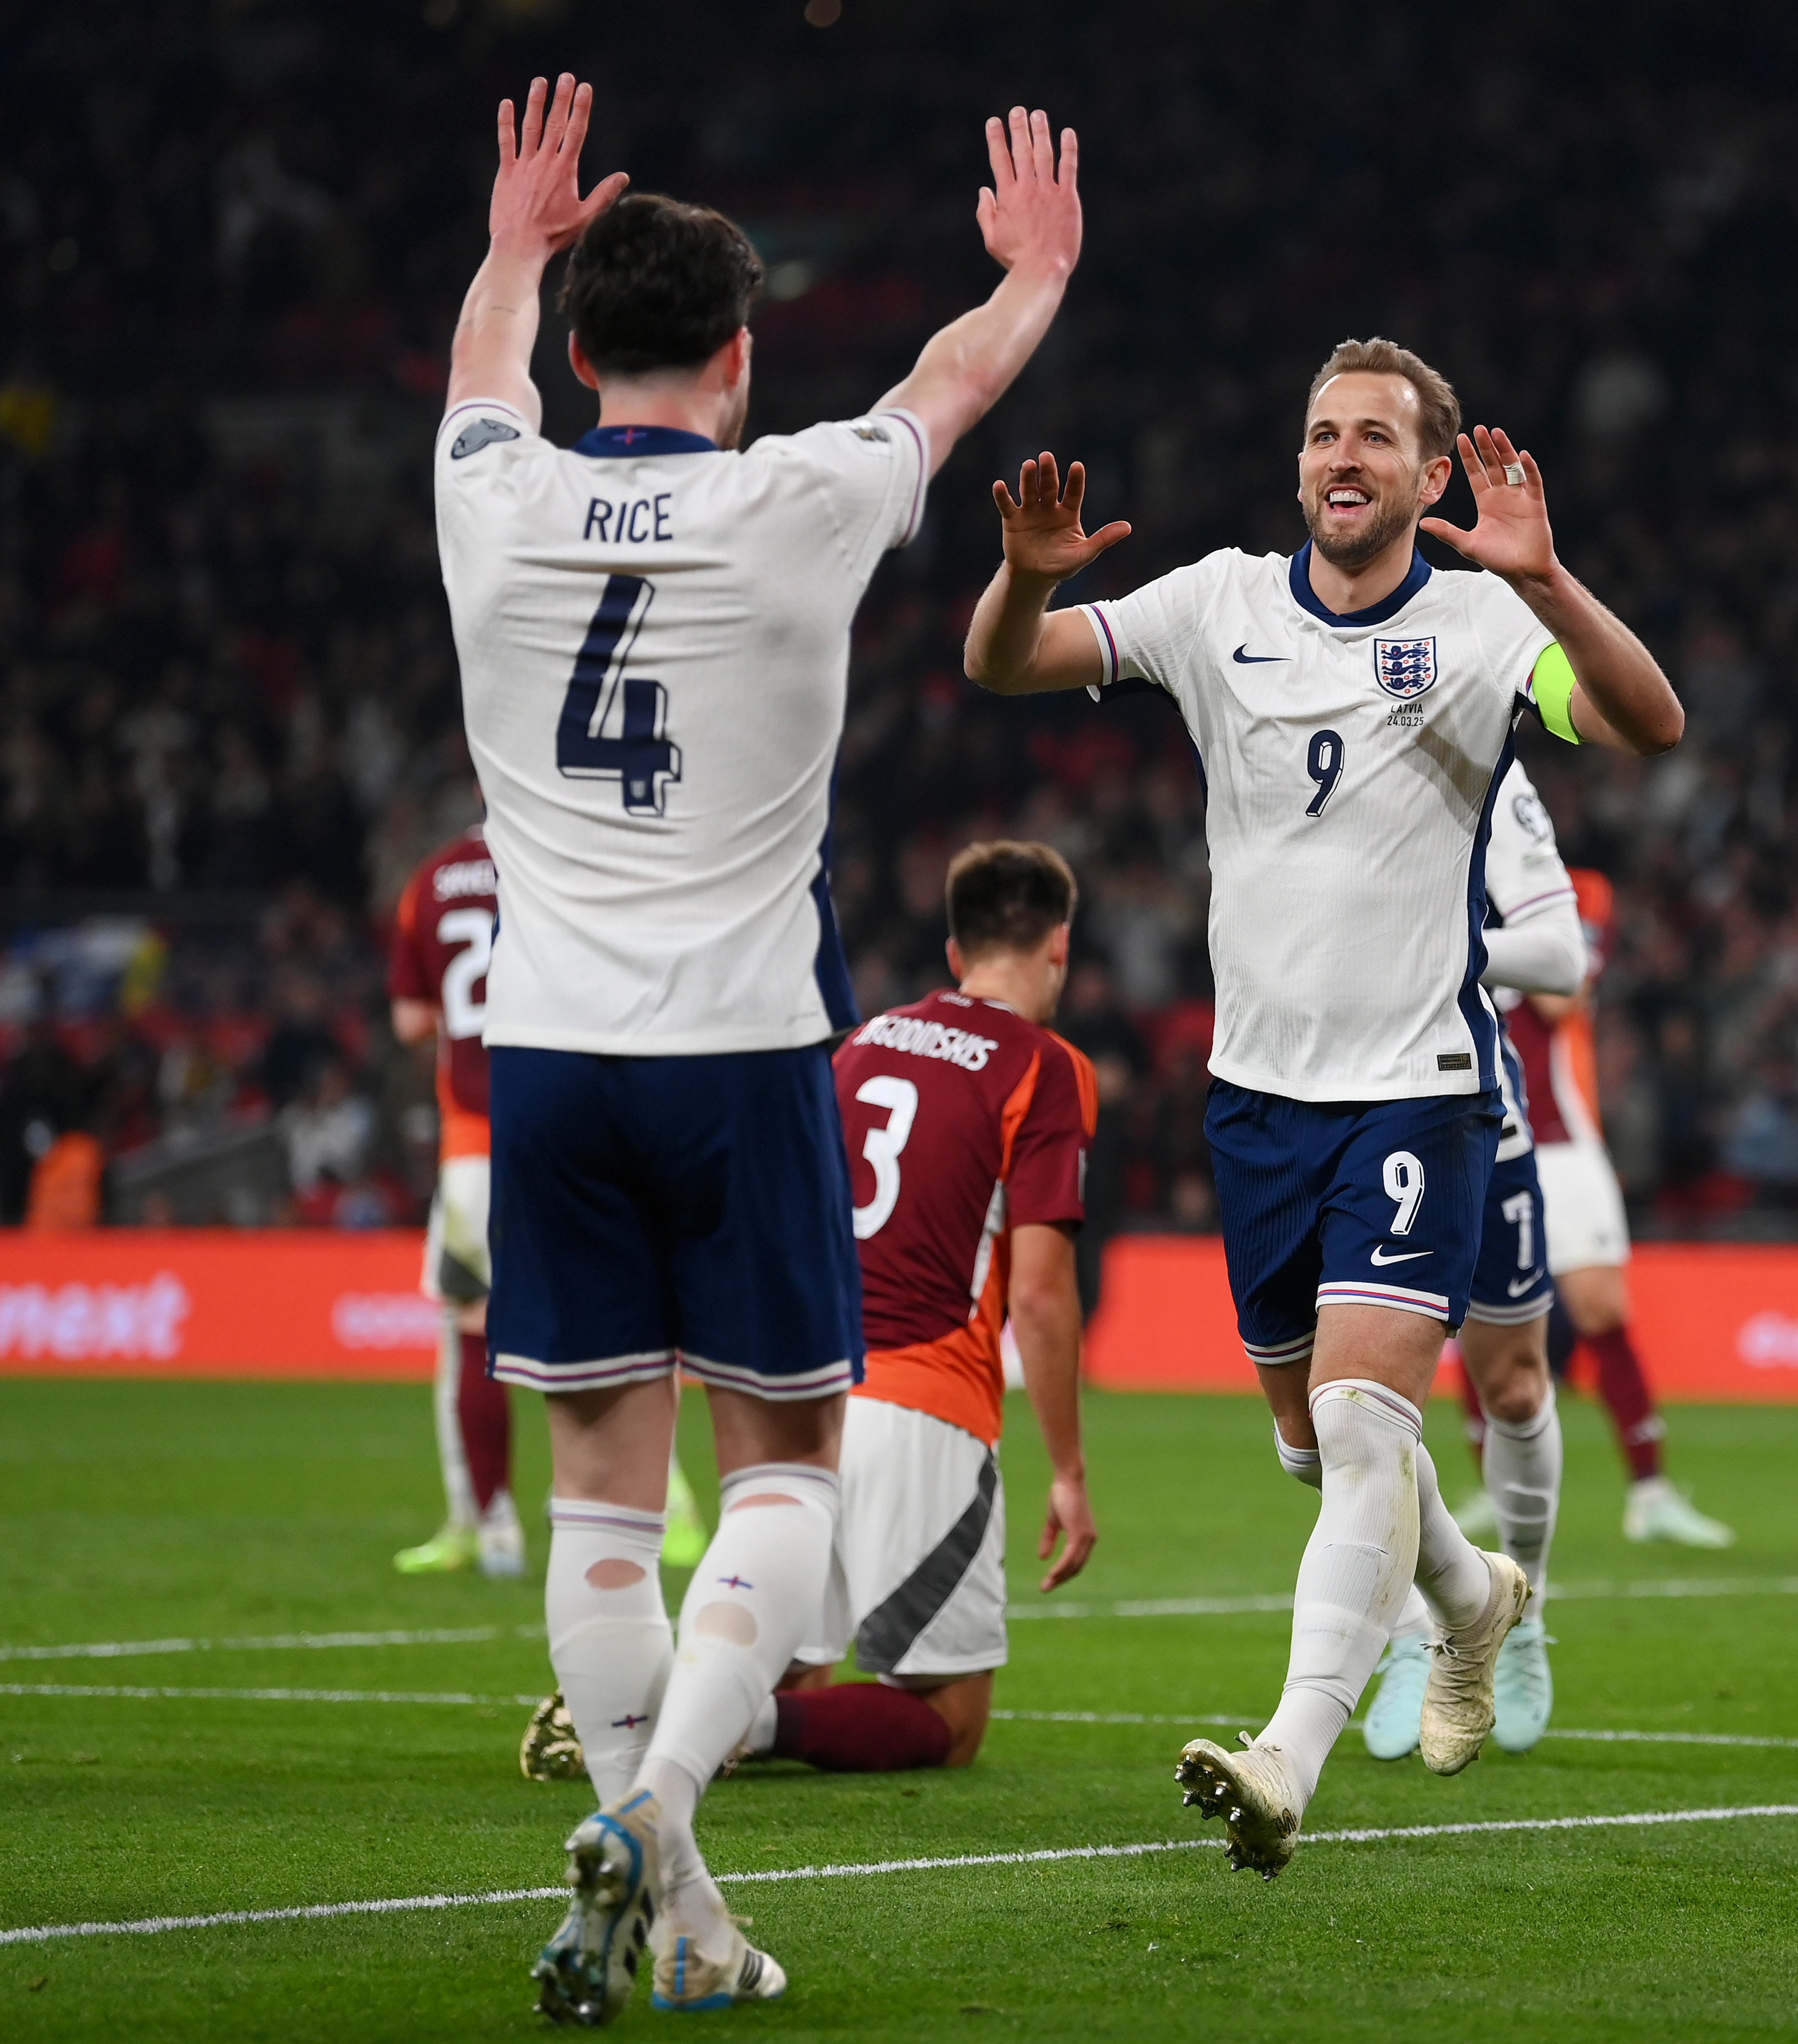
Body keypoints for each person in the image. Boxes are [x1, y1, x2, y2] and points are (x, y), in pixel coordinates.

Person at [434, 76, 1090, 2021]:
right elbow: (951, 386)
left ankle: (679, 1891)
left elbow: (479, 370)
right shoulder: (797, 495)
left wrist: (504, 237)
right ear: (737, 356)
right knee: (788, 1475)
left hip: (540, 1060)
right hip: (736, 1058)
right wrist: (1036, 273)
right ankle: (658, 1817)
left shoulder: (493, 496)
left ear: (577, 355)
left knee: (604, 1504)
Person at [965, 337, 1684, 1876]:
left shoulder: (1481, 622)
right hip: (1257, 1107)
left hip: (1414, 1097)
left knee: (1365, 1426)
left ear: (1432, 479)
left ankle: (1286, 1755)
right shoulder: (1214, 604)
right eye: (1318, 435)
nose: (1339, 456)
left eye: (1373, 437)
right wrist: (1026, 579)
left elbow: (1647, 723)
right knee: (1307, 1446)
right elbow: (1000, 665)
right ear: (1297, 466)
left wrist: (1550, 580)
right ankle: (1472, 1598)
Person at [732, 841, 1098, 1774]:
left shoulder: (863, 1042)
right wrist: (1069, 1471)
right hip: (925, 1405)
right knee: (951, 1717)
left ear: (952, 953)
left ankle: (676, 1704)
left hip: (808, 1388)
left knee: (803, 1671)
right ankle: (739, 1723)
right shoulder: (1044, 1066)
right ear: (1059, 946)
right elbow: (1043, 1295)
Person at [385, 821, 710, 1580]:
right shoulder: (568, 858)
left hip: (476, 1145)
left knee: (469, 1329)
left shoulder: (428, 877)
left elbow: (408, 1021)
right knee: (626, 1316)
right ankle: (669, 1512)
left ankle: (486, 1527)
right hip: (575, 1126)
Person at [1361, 761, 1584, 1763]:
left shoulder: (1481, 757)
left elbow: (1561, 955)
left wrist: (1429, 948)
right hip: (1338, 1114)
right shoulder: (1279, 730)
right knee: (1365, 1399)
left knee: (1518, 1386)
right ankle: (1422, 1625)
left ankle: (1521, 1612)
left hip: (1472, 1117)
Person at [1522, 866, 1735, 1549]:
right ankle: (1499, 1490)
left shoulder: (1575, 889)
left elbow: (1561, 998)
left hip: (1560, 1138)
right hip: (1477, 1130)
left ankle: (1650, 1492)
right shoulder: (1446, 862)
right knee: (1489, 1326)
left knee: (1601, 1310)